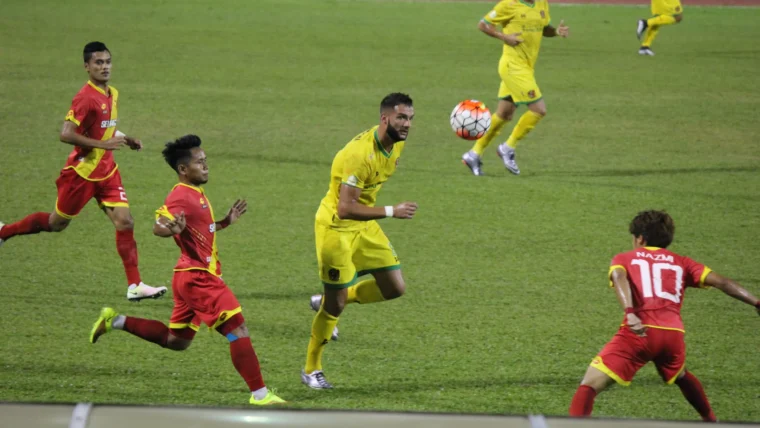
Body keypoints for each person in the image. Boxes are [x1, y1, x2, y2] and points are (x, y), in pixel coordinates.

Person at [89, 135, 286, 406]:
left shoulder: (196, 193)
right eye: (199, 162)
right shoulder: (180, 195)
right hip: (198, 278)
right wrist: (170, 229)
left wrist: (225, 222)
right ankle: (260, 395)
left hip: (187, 276)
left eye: (206, 161)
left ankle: (116, 321)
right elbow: (159, 225)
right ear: (183, 169)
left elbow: (202, 229)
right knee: (237, 329)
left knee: (176, 341)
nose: (205, 166)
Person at [0, 41, 165, 301]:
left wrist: (126, 138)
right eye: (98, 63)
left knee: (126, 222)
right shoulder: (85, 98)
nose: (104, 67)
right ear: (87, 67)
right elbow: (66, 134)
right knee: (56, 223)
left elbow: (104, 126)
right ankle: (4, 232)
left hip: (107, 171)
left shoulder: (112, 93)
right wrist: (102, 144)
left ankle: (135, 285)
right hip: (82, 174)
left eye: (107, 62)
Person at [569, 210, 760, 421]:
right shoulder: (683, 262)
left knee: (589, 385)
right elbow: (723, 282)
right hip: (673, 335)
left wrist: (630, 313)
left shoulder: (624, 258)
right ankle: (711, 421)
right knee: (681, 375)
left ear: (640, 238)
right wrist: (756, 302)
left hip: (640, 333)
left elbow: (619, 276)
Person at [301, 93, 418, 389]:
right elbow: (345, 208)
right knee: (336, 305)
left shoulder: (396, 143)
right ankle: (311, 369)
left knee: (394, 288)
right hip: (336, 228)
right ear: (385, 118)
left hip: (364, 224)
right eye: (401, 118)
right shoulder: (359, 155)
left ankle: (326, 300)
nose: (407, 124)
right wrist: (392, 211)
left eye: (410, 118)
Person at [461, 0, 569, 176]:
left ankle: (474, 154)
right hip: (513, 67)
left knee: (504, 114)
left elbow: (544, 28)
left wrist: (556, 31)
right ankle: (508, 147)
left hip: (526, 67)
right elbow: (483, 25)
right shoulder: (508, 5)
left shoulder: (541, 3)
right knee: (539, 110)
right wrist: (504, 37)